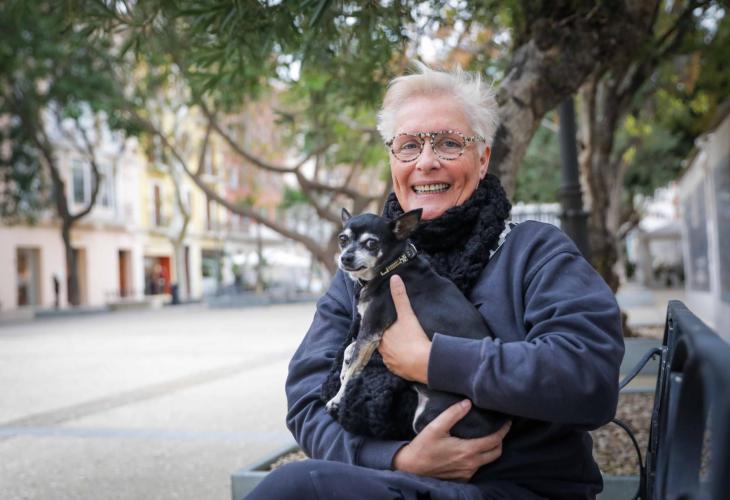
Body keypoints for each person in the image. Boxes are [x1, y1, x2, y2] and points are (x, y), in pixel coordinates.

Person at [246, 63, 623, 499]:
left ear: (482, 159)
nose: (426, 162)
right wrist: (397, 459)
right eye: (408, 146)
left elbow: (589, 378)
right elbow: (307, 400)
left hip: (520, 489)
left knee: (295, 488)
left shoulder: (534, 251)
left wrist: (430, 360)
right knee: (295, 487)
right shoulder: (361, 272)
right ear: (393, 161)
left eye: (448, 143)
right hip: (396, 482)